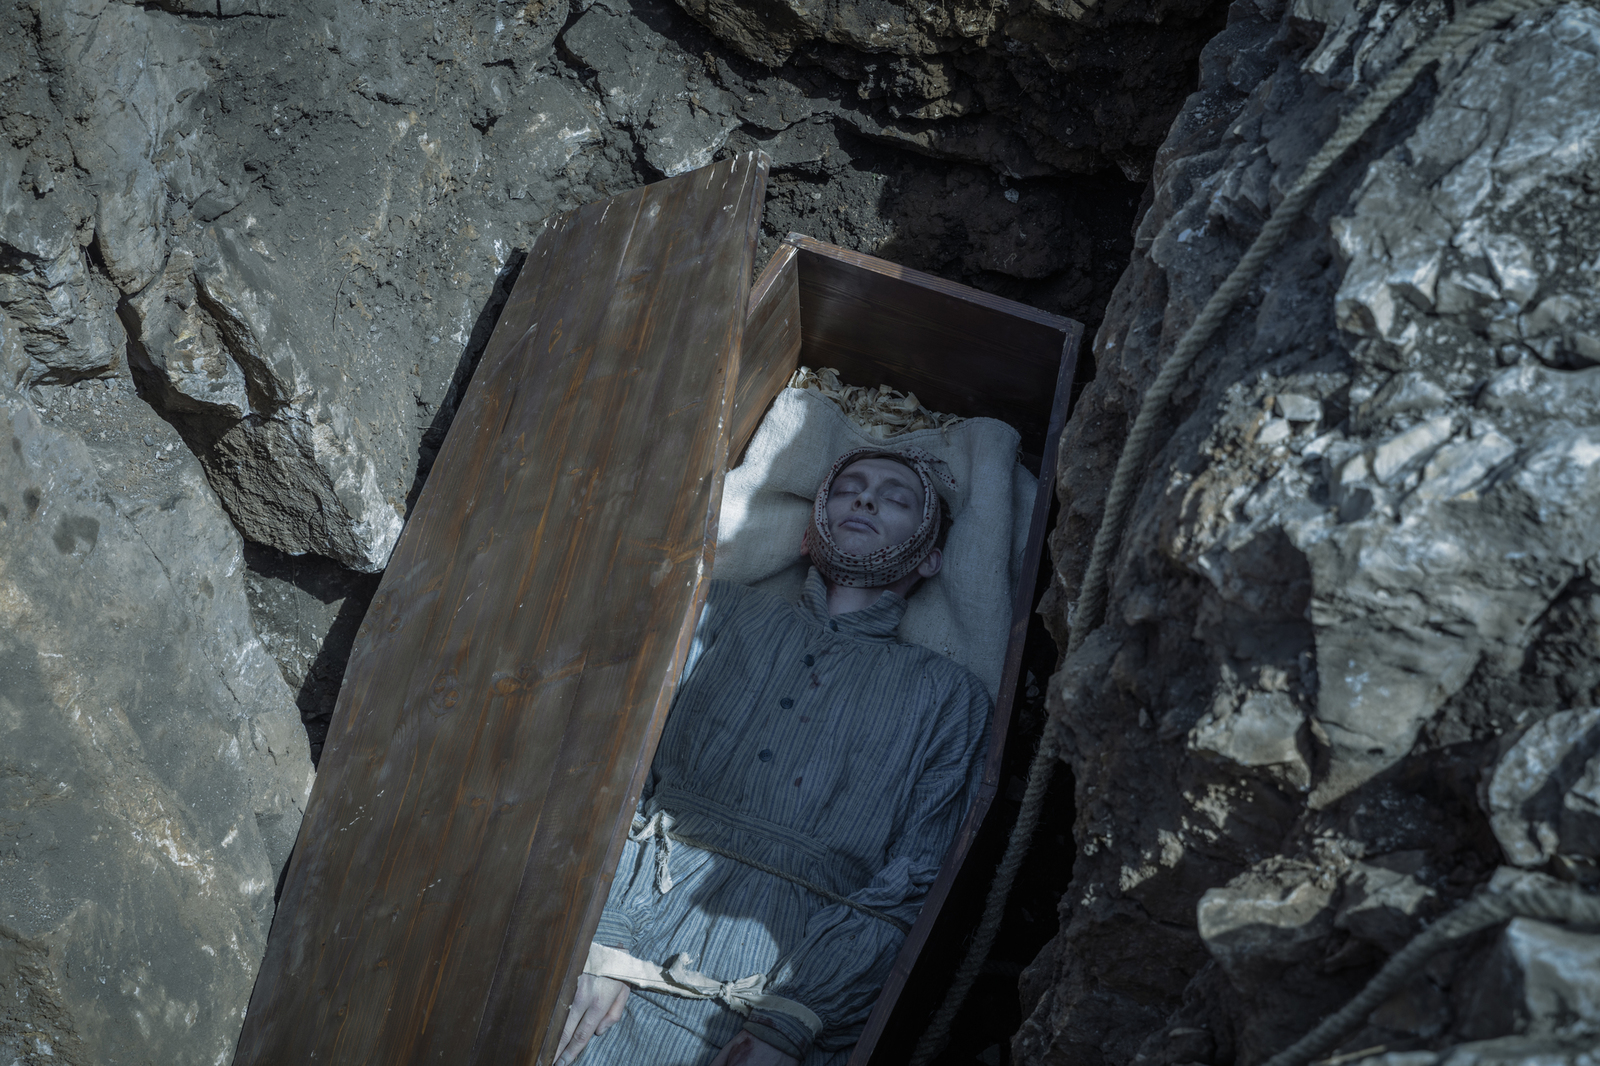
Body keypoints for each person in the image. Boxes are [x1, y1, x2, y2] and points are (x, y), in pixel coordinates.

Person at [553, 448, 993, 1066]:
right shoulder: (718, 610)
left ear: (930, 558)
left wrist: (798, 1015)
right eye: (849, 489)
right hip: (624, 920)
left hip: (791, 979)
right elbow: (620, 769)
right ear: (811, 536)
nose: (865, 500)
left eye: (895, 498)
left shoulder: (950, 697)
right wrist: (603, 937)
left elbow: (916, 877)